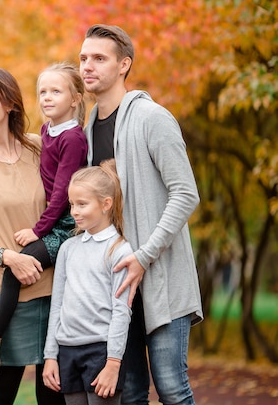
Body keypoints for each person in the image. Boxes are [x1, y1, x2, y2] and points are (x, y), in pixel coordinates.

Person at [78, 24, 203, 405]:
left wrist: (143, 256)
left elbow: (186, 194)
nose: (88, 66)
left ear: (123, 65)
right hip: (116, 286)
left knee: (172, 389)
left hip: (160, 276)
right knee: (129, 393)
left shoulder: (152, 118)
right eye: (83, 58)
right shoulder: (86, 132)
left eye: (99, 58)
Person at [0, 62, 88, 378]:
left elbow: (72, 195)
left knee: (52, 395)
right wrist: (9, 258)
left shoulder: (38, 145)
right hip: (10, 297)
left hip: (59, 293)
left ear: (10, 102)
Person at [42, 160, 133, 405]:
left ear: (106, 204)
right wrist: (51, 355)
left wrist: (113, 363)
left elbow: (121, 311)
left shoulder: (120, 250)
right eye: (72, 204)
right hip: (67, 351)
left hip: (101, 352)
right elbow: (57, 304)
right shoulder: (68, 249)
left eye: (82, 204)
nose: (74, 212)